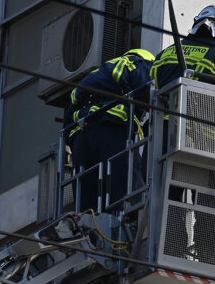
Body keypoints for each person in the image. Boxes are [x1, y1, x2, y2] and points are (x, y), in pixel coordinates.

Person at [150, 5, 215, 269]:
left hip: (161, 137)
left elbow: (149, 88)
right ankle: (212, 257)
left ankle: (171, 251)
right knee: (208, 200)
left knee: (169, 200)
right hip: (202, 139)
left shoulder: (167, 53)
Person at [65, 48, 155, 213]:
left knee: (87, 200)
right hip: (111, 128)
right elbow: (148, 89)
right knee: (127, 189)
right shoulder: (136, 62)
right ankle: (131, 218)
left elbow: (67, 122)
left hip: (80, 137)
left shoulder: (92, 76)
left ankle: (88, 223)